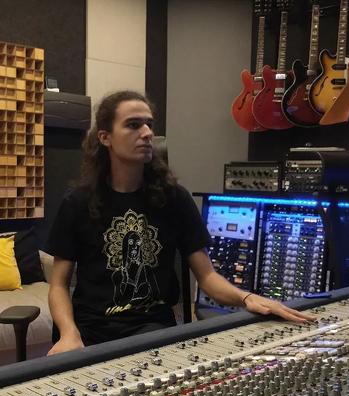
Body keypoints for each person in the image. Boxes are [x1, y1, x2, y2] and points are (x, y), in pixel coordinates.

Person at [47, 90, 314, 355]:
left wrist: (247, 298)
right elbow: (58, 284)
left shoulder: (174, 198)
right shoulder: (78, 202)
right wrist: (69, 334)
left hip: (151, 329)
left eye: (149, 124)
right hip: (90, 332)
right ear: (105, 137)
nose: (147, 133)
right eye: (133, 125)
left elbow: (207, 277)